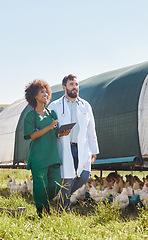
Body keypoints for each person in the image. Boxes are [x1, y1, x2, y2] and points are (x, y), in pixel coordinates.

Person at [49, 74, 99, 212]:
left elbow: (91, 129)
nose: (75, 87)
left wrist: (94, 150)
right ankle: (64, 209)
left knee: (84, 176)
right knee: (68, 177)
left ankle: (63, 197)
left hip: (82, 147)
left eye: (76, 84)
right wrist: (58, 132)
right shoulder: (55, 106)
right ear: (64, 87)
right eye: (71, 84)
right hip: (65, 146)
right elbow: (49, 128)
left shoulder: (85, 106)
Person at [23, 79, 62, 217]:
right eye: (42, 92)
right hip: (39, 157)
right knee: (41, 188)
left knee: (56, 184)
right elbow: (33, 135)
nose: (45, 94)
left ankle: (44, 203)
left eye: (46, 92)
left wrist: (61, 132)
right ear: (35, 96)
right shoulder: (30, 116)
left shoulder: (52, 114)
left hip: (52, 155)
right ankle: (43, 214)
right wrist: (49, 127)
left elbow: (55, 132)